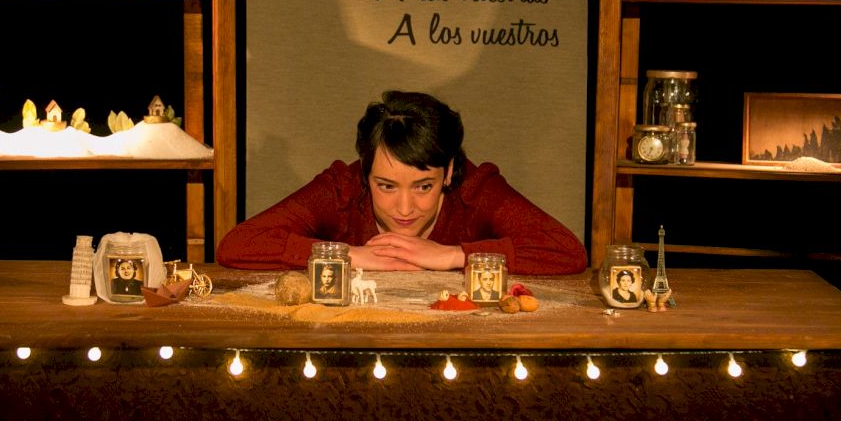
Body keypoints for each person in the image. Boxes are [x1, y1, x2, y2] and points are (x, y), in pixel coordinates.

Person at [217, 90, 588, 274]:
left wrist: (453, 255)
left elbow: (567, 251)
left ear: (449, 171)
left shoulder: (475, 188)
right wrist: (347, 256)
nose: (405, 208)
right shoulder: (342, 188)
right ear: (365, 174)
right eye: (386, 186)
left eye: (424, 186)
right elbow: (238, 244)